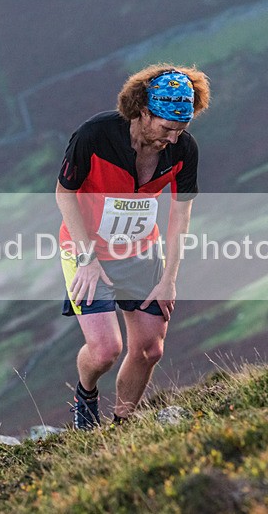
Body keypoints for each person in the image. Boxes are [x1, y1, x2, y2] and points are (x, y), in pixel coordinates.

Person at [56, 64, 210, 429]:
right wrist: (87, 260)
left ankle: (124, 424)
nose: (172, 139)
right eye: (166, 128)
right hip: (87, 251)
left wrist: (169, 279)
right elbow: (65, 194)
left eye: (181, 130)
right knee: (105, 350)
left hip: (142, 253)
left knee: (150, 349)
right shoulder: (95, 135)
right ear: (143, 112)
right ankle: (86, 394)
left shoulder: (184, 149)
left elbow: (180, 216)